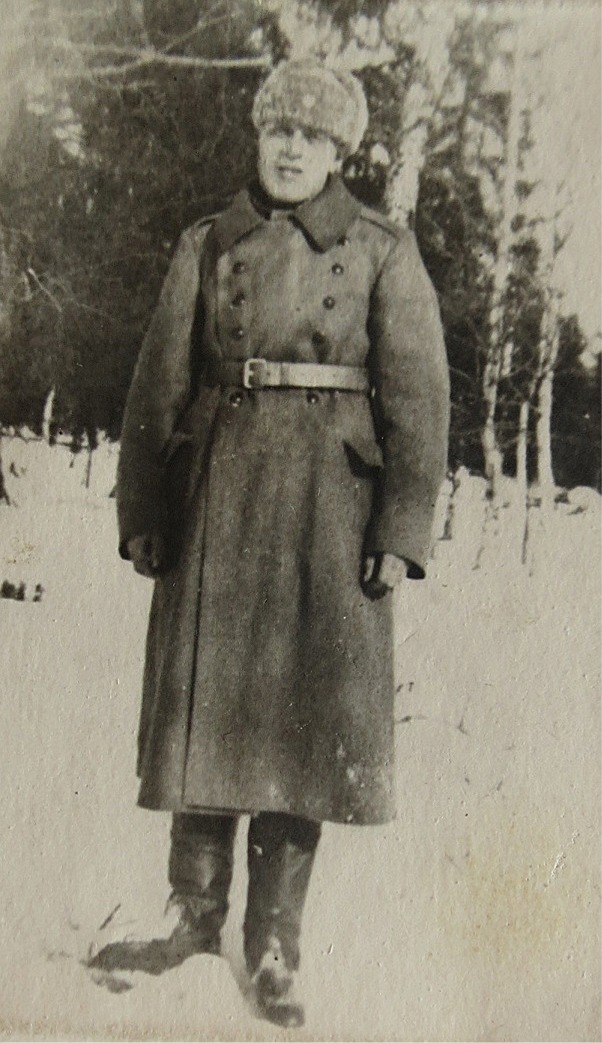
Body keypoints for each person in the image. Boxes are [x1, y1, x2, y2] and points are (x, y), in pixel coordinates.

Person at [115, 59, 450, 1029]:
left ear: (340, 152)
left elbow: (420, 405)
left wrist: (398, 529)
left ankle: (272, 942)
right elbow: (156, 384)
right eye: (279, 132)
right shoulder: (208, 243)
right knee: (207, 706)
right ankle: (190, 911)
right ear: (258, 139)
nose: (293, 149)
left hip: (329, 517)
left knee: (301, 727)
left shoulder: (383, 252)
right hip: (217, 498)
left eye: (313, 137)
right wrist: (144, 505)